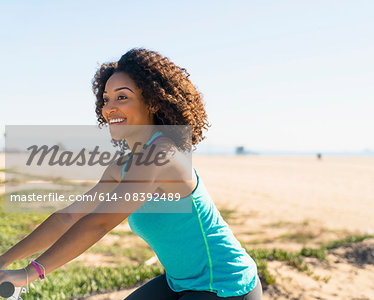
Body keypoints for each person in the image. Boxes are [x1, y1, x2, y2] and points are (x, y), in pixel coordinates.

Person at [0, 48, 263, 299]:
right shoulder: (122, 165)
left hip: (227, 285)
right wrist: (4, 260)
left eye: (122, 97)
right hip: (179, 282)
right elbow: (69, 216)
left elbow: (98, 223)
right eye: (106, 99)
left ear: (151, 101)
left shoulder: (162, 155)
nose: (109, 108)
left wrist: (29, 273)